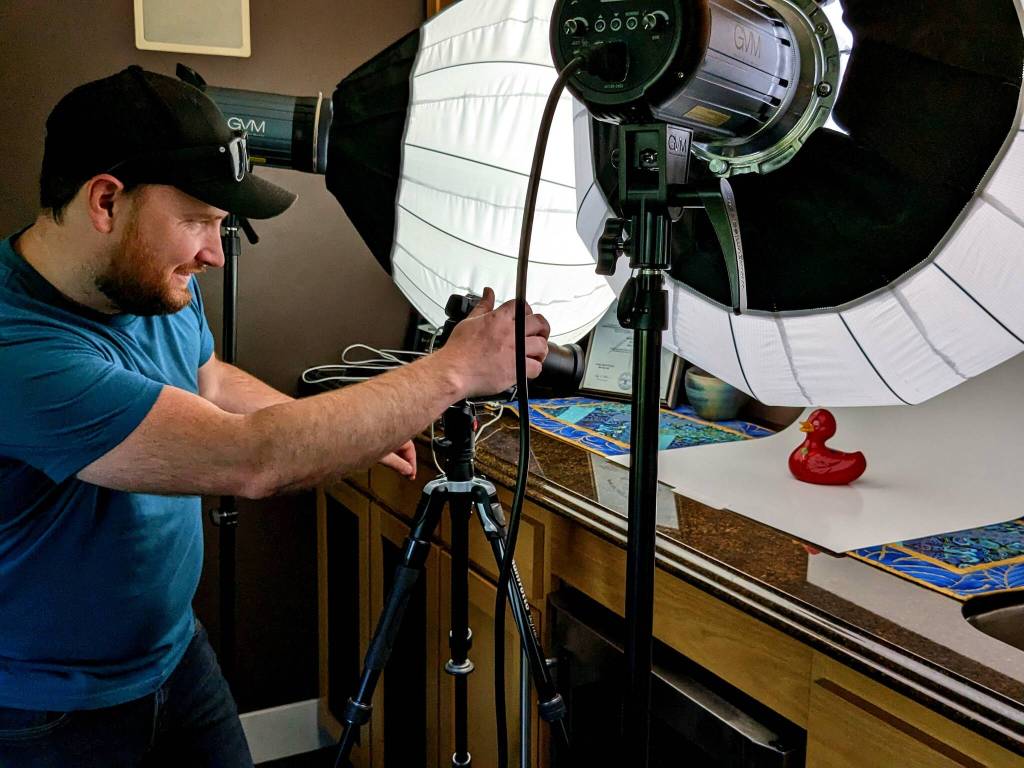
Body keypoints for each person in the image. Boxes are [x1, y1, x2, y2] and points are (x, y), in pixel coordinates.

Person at [0, 66, 550, 767]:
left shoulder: (148, 285)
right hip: (51, 712)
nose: (210, 253)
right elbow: (249, 458)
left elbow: (208, 377)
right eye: (198, 220)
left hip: (175, 655)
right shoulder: (19, 350)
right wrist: (453, 370)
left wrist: (336, 425)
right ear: (106, 201)